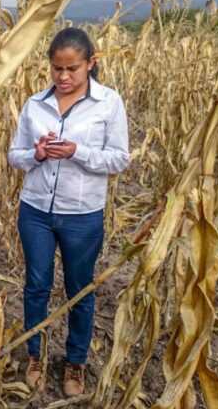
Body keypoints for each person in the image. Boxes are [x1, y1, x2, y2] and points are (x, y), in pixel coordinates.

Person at [7, 27, 130, 397]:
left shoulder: (108, 103)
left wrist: (77, 151)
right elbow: (15, 155)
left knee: (80, 290)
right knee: (36, 286)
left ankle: (75, 362)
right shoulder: (34, 104)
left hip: (82, 214)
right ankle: (36, 354)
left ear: (90, 64)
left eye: (72, 69)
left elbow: (120, 159)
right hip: (36, 211)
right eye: (56, 69)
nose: (63, 77)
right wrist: (38, 154)